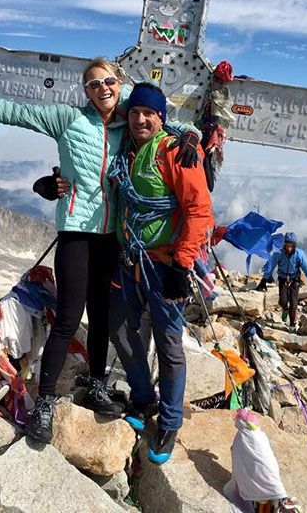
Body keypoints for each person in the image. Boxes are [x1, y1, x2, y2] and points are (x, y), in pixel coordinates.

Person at [0, 61, 201, 444]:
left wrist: (193, 136)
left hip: (113, 240)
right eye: (93, 84)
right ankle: (47, 402)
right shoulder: (67, 118)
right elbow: (14, 113)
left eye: (108, 81)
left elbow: (167, 122)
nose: (102, 88)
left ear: (119, 85)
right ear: (85, 91)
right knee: (70, 317)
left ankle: (98, 384)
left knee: (102, 318)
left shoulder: (128, 121)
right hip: (75, 233)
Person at [106, 83, 214, 465]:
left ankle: (169, 422)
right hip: (131, 259)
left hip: (166, 262)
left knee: (168, 346)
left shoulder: (175, 152)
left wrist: (183, 265)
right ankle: (142, 397)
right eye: (135, 112)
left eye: (148, 114)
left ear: (161, 117)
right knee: (118, 328)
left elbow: (199, 211)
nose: (140, 119)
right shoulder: (126, 148)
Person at [255, 232, 307, 333]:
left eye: (291, 246)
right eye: (287, 246)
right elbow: (270, 266)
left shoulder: (299, 254)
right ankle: (285, 309)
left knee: (294, 305)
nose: (289, 248)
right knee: (283, 301)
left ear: (294, 245)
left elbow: (306, 268)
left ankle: (292, 325)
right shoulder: (278, 253)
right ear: (284, 245)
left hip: (295, 280)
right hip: (283, 279)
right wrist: (263, 281)